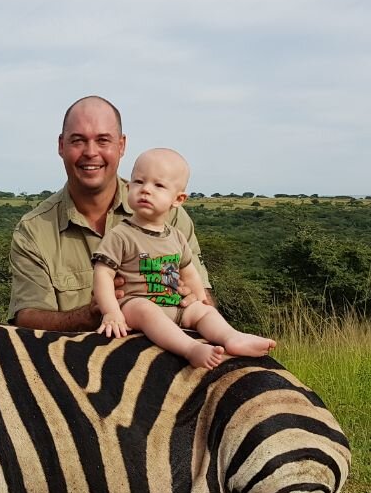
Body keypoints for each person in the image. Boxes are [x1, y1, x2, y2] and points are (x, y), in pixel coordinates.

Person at [8, 95, 211, 330]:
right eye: (78, 141)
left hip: (163, 360)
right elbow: (26, 319)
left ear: (121, 145)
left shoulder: (170, 216)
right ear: (61, 146)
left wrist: (194, 300)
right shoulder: (33, 230)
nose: (91, 152)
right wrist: (91, 314)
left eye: (103, 140)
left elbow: (203, 297)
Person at [93, 148, 275, 369]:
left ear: (178, 199)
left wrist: (200, 298)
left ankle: (232, 337)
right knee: (145, 309)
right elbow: (103, 273)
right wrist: (111, 312)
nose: (146, 190)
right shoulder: (120, 234)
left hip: (173, 303)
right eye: (139, 182)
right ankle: (191, 349)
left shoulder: (176, 236)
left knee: (204, 311)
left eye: (158, 185)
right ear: (128, 188)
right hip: (134, 304)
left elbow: (189, 272)